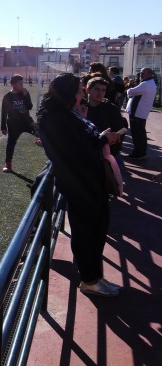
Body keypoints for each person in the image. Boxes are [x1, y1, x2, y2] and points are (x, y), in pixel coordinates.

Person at [37, 73, 121, 297]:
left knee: (97, 230)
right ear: (68, 93)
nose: (82, 93)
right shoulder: (57, 119)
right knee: (87, 234)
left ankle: (93, 276)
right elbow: (78, 153)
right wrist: (103, 139)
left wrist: (101, 137)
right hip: (81, 186)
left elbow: (82, 143)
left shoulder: (66, 113)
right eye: (79, 90)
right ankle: (90, 280)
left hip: (90, 184)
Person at [0, 74, 36, 172]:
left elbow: (29, 107)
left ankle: (55, 161)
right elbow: (4, 112)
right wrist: (3, 127)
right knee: (11, 144)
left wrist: (26, 96)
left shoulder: (24, 93)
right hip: (14, 125)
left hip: (27, 122)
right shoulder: (7, 97)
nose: (22, 85)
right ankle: (8, 164)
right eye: (20, 83)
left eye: (22, 83)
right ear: (13, 84)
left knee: (43, 135)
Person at [85, 76, 128, 156]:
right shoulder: (80, 108)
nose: (100, 93)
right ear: (88, 90)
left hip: (106, 153)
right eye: (97, 89)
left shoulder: (111, 109)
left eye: (103, 90)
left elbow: (119, 131)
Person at [125, 67, 157, 159]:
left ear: (149, 74)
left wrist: (129, 89)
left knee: (137, 134)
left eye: (143, 73)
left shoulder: (145, 84)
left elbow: (131, 91)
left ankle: (138, 153)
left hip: (137, 112)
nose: (140, 74)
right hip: (140, 112)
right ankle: (141, 152)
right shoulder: (149, 83)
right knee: (140, 134)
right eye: (140, 73)